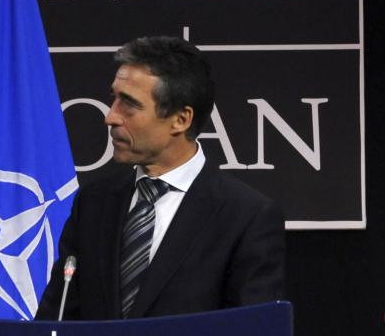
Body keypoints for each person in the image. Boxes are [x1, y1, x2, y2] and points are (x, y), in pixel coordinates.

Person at [34, 35, 285, 320]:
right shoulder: (94, 203)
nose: (110, 117)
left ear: (180, 119)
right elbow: (56, 322)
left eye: (128, 103)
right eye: (113, 98)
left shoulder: (245, 216)